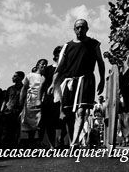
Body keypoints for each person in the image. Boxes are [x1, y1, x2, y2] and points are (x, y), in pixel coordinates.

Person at [49, 19, 105, 148]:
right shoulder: (67, 46)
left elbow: (100, 62)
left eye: (83, 27)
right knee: (68, 115)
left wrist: (102, 79)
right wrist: (53, 83)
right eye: (78, 27)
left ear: (87, 29)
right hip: (70, 82)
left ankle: (74, 143)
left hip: (86, 80)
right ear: (74, 29)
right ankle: (72, 140)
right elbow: (60, 67)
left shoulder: (93, 44)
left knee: (81, 112)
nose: (80, 30)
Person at [39, 46, 63, 148]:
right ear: (56, 55)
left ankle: (61, 142)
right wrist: (39, 100)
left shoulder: (67, 68)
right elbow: (42, 85)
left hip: (63, 98)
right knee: (49, 123)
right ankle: (51, 145)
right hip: (50, 99)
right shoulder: (48, 69)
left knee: (62, 121)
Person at [20, 58, 47, 145]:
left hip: (41, 99)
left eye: (45, 64)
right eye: (42, 64)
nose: (44, 66)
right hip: (30, 100)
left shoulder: (44, 77)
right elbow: (24, 88)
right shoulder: (30, 75)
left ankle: (39, 141)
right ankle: (30, 142)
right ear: (38, 64)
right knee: (29, 121)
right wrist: (21, 99)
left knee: (40, 121)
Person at [0, 71, 25, 148]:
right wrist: (1, 111)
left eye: (15, 76)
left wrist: (22, 112)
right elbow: (5, 100)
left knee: (16, 130)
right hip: (8, 112)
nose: (13, 78)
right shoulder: (10, 88)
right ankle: (4, 148)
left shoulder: (24, 89)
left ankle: (14, 148)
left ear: (21, 78)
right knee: (6, 131)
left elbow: (25, 101)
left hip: (18, 112)